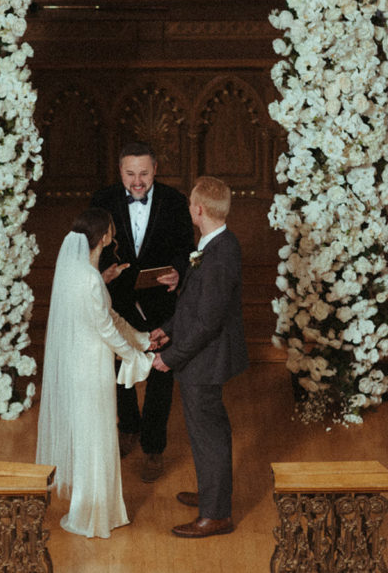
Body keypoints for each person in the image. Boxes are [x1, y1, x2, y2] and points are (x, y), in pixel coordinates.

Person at [35, 207, 154, 539]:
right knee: (98, 436)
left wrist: (141, 339)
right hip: (92, 368)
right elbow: (106, 327)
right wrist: (135, 356)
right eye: (111, 230)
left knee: (94, 434)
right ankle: (94, 514)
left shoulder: (76, 271)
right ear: (104, 236)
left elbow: (104, 313)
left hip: (81, 363)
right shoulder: (89, 279)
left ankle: (98, 508)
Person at [150, 176, 248, 538]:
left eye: (191, 204)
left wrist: (170, 356)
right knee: (206, 432)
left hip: (205, 361)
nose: (189, 208)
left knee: (209, 434)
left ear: (199, 209)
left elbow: (208, 322)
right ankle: (212, 495)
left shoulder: (219, 253)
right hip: (201, 356)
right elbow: (195, 303)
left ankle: (216, 514)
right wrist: (168, 328)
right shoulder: (214, 243)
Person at [90, 142, 194, 482]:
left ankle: (153, 447)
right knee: (119, 372)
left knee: (161, 376)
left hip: (161, 303)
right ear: (120, 171)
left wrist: (178, 272)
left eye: (144, 174)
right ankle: (128, 428)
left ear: (156, 168)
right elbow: (91, 250)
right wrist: (103, 277)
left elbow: (186, 250)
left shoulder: (176, 202)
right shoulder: (102, 201)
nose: (137, 182)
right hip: (116, 302)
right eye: (131, 174)